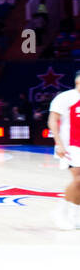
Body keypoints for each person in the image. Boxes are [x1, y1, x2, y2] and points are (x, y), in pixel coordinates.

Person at [49, 71, 80, 230]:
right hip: (70, 145)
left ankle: (75, 216)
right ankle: (59, 212)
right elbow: (53, 120)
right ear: (76, 81)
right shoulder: (65, 97)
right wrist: (58, 143)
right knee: (79, 180)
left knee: (79, 184)